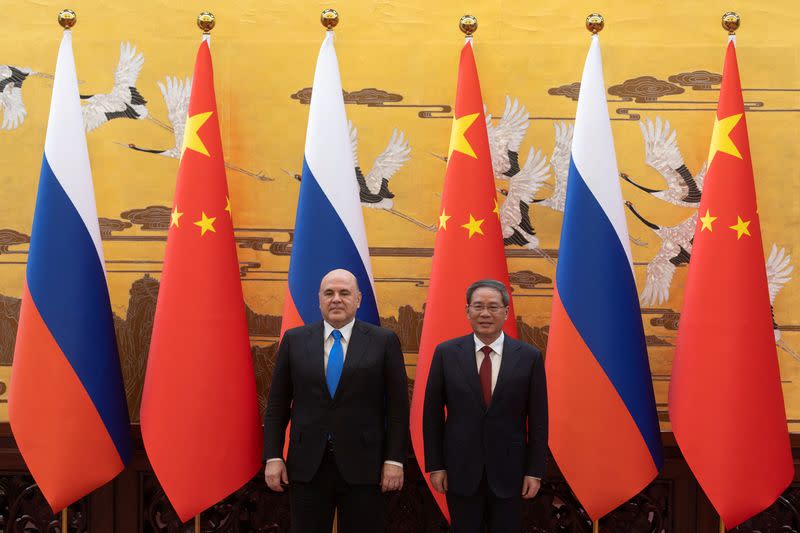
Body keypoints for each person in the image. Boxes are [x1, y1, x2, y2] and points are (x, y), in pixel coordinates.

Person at [263, 268, 408, 533]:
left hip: (365, 467)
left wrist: (394, 460)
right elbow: (276, 406)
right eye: (329, 293)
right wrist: (273, 456)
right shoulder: (294, 340)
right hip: (307, 466)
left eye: (344, 292)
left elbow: (398, 409)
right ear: (319, 300)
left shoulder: (383, 341)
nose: (336, 299)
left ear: (359, 299)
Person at [422, 279, 548, 532]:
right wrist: (436, 465)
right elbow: (432, 416)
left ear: (506, 312)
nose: (485, 313)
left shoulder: (529, 357)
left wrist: (534, 471)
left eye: (493, 307)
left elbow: (538, 420)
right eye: (478, 306)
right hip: (459, 471)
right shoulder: (446, 353)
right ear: (467, 311)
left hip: (511, 472)